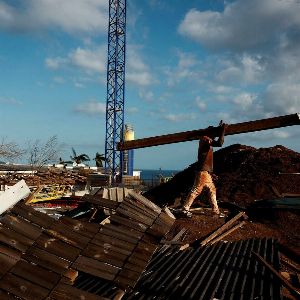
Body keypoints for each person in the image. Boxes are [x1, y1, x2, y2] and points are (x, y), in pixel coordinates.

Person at [181, 121, 226, 217]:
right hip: (203, 171)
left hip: (206, 172)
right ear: (210, 133)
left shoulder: (207, 141)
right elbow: (220, 143)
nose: (214, 136)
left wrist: (211, 173)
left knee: (212, 190)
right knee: (197, 190)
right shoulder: (205, 139)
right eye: (214, 134)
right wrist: (223, 129)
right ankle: (185, 208)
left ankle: (215, 211)